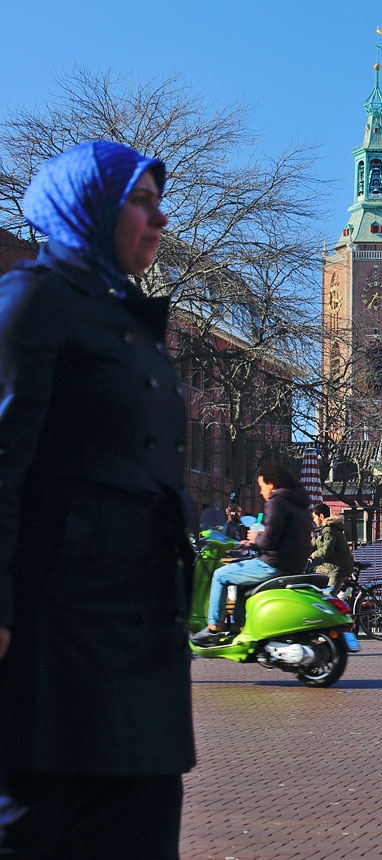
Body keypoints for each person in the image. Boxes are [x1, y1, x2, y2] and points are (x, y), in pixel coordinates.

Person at [0, 142, 195, 858]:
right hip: (61, 633)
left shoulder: (128, 322)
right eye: (141, 201)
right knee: (45, 827)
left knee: (143, 827)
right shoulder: (32, 302)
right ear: (89, 209)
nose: (159, 219)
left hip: (140, 638)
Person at [191, 463, 312, 645]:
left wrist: (255, 539)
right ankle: (237, 629)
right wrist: (252, 542)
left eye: (261, 486)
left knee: (220, 575)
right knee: (241, 583)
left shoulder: (277, 502)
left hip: (274, 565)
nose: (260, 492)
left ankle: (213, 629)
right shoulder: (300, 505)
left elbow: (270, 541)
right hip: (293, 565)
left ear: (271, 484)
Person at [310, 503, 354, 593]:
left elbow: (327, 550)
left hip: (338, 568)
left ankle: (343, 590)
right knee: (314, 570)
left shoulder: (329, 530)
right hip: (332, 565)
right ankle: (342, 588)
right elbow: (317, 543)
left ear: (321, 516)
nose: (314, 520)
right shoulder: (325, 529)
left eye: (314, 517)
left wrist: (315, 554)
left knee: (328, 597)